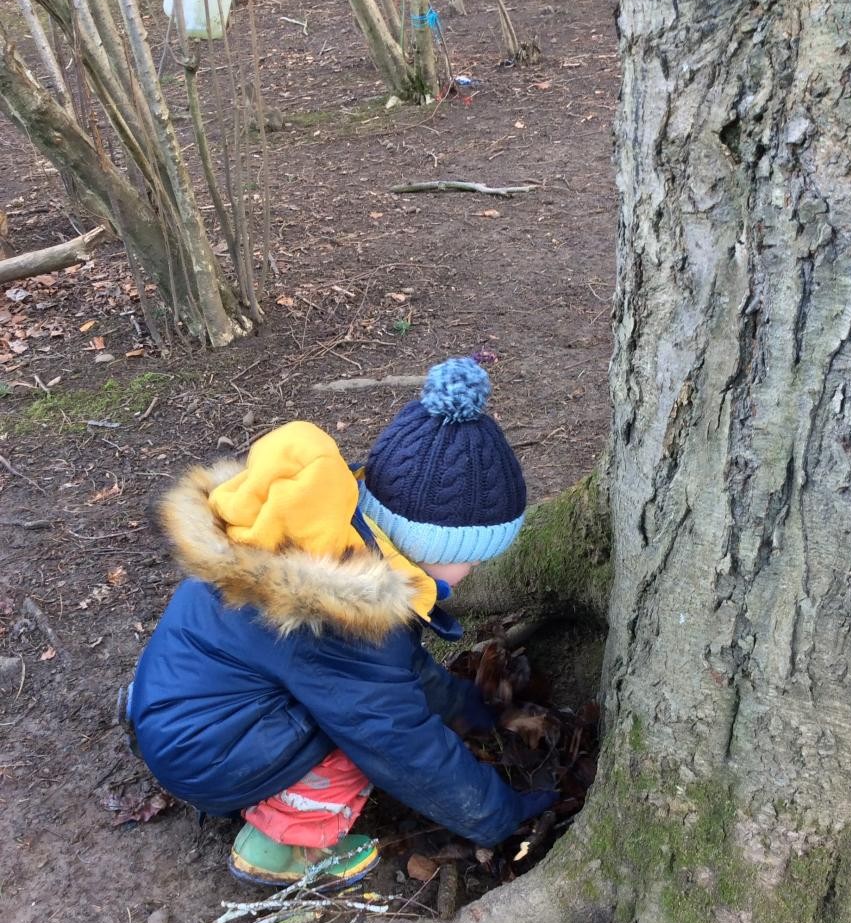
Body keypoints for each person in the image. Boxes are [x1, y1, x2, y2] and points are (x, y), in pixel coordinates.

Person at [127, 358, 556, 887]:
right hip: (207, 757)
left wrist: (469, 710)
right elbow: (400, 744)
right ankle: (279, 847)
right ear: (428, 543)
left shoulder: (331, 543)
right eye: (471, 555)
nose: (475, 570)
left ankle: (268, 794)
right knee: (358, 736)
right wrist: (501, 815)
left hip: (181, 715)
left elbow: (399, 672)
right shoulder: (335, 620)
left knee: (356, 704)